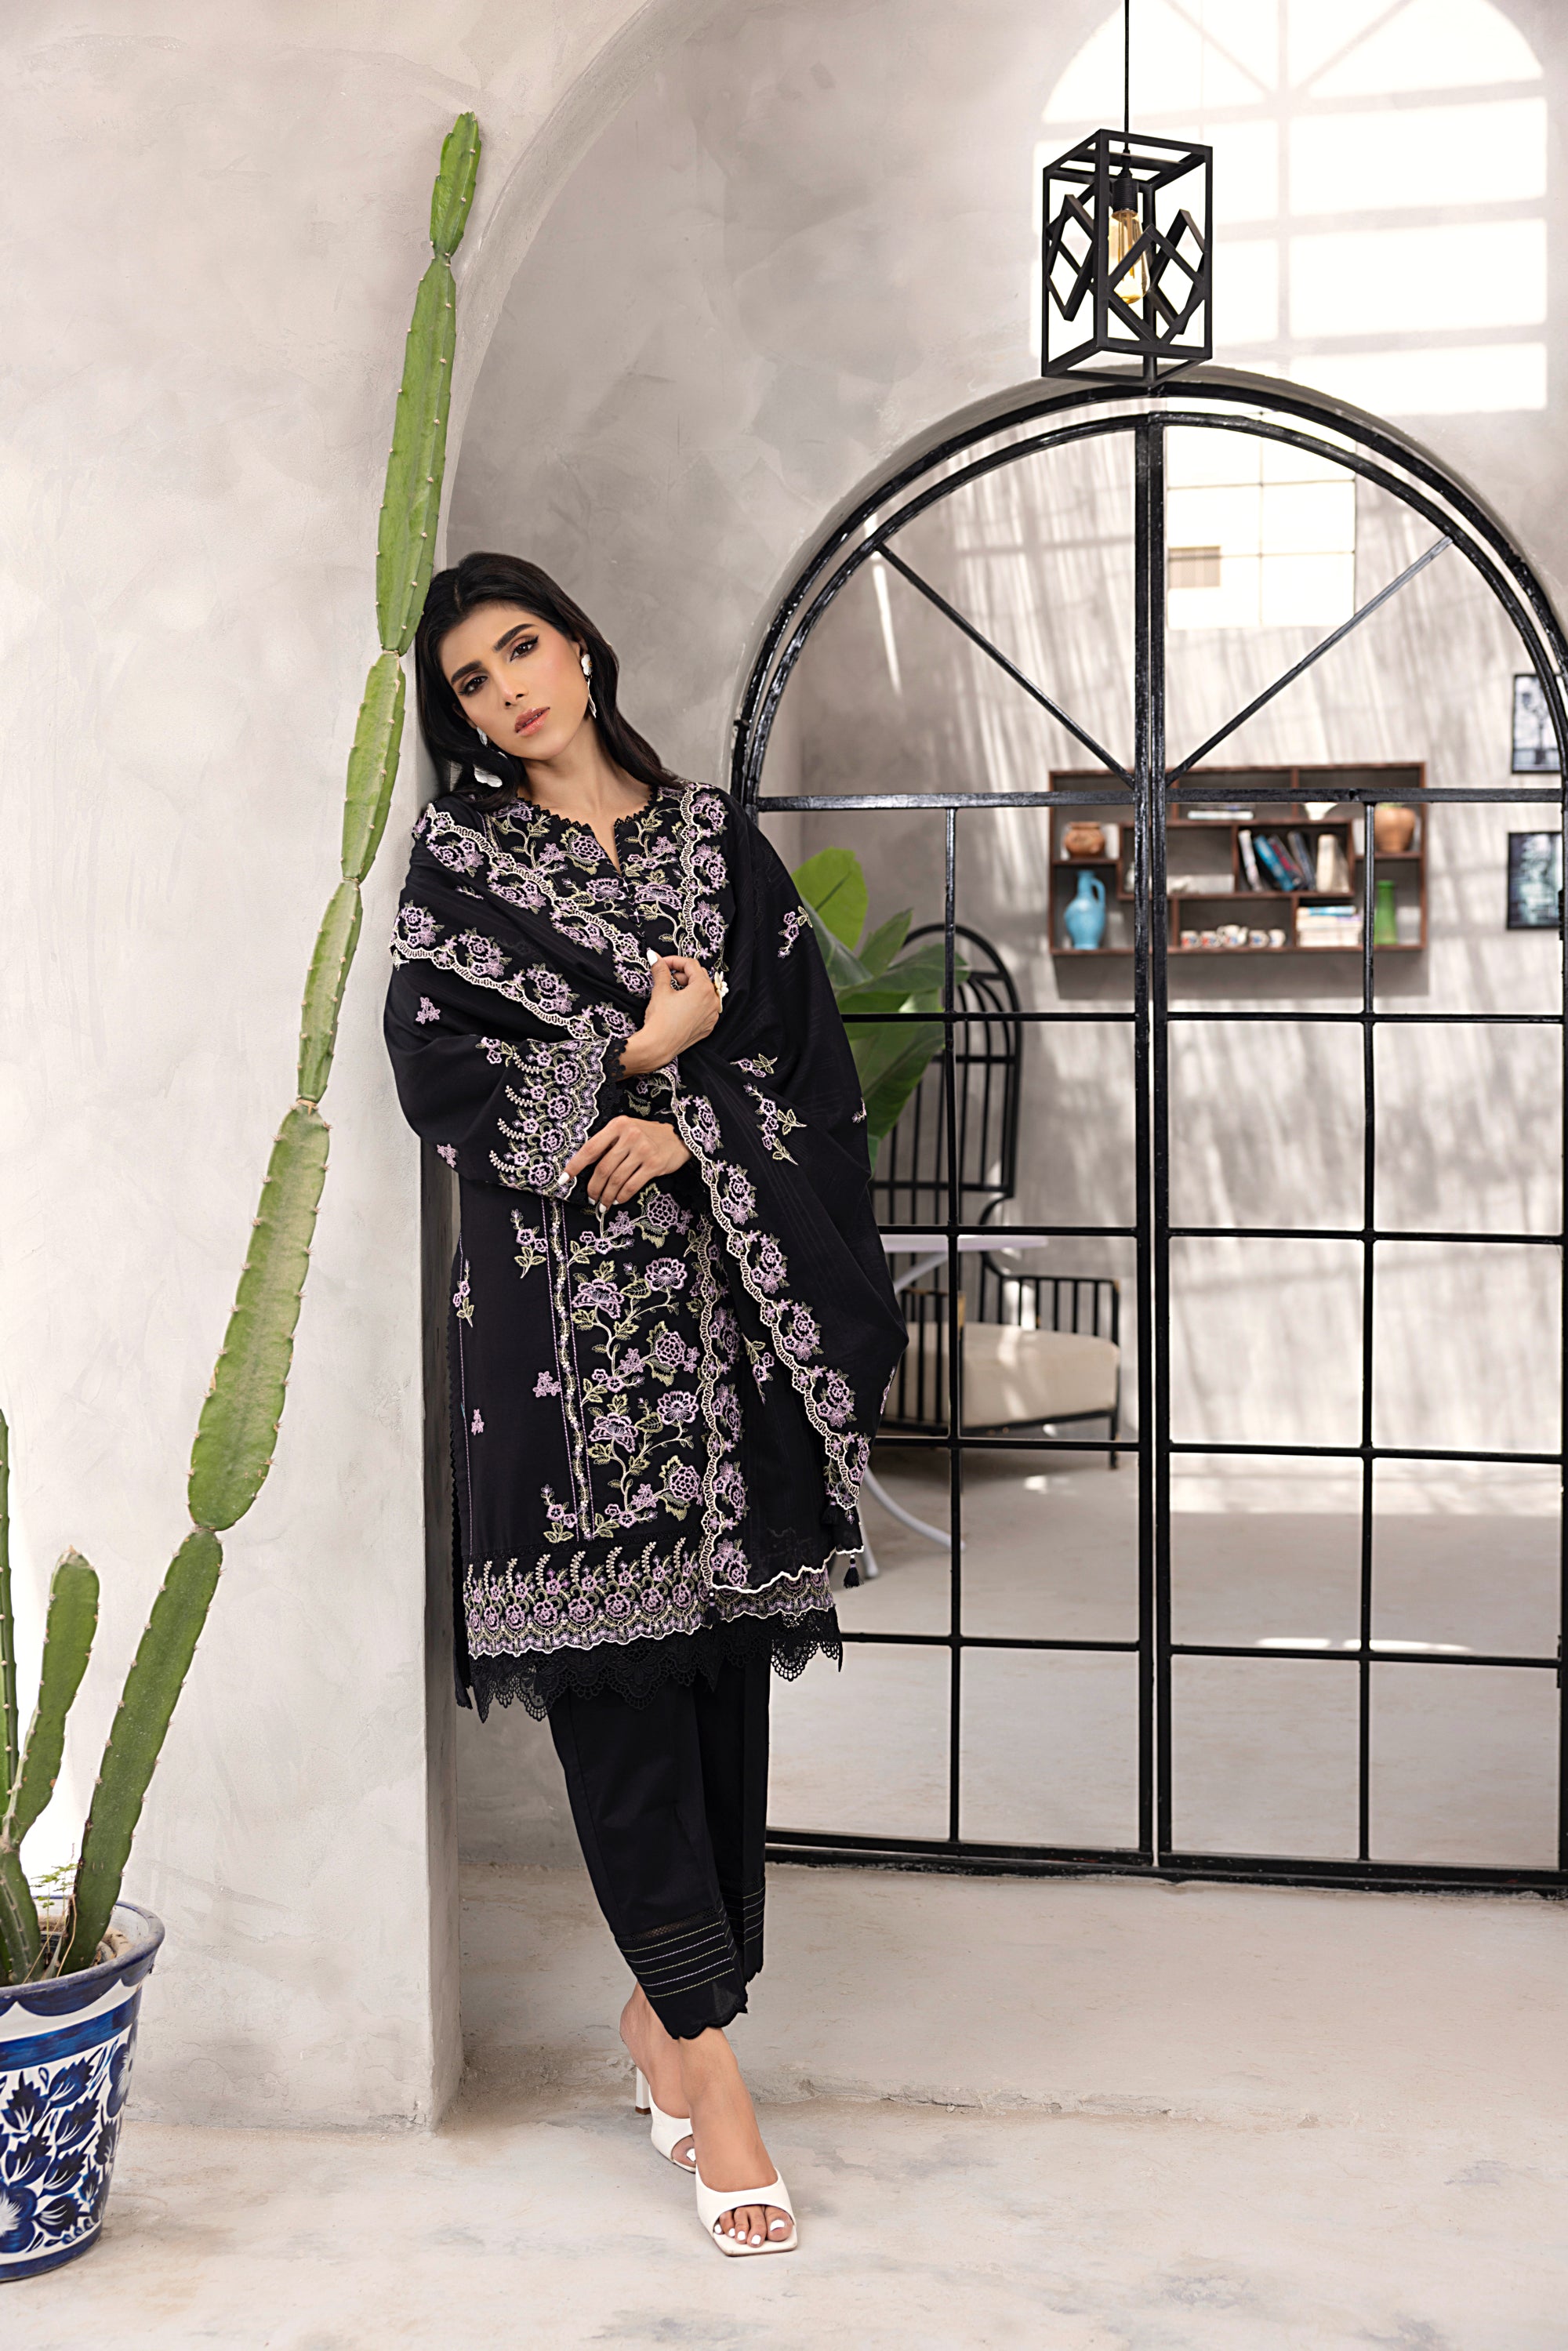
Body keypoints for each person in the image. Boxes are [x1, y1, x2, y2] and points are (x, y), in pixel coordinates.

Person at [384, 553, 905, 2256]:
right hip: (561, 1353)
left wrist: (691, 1126)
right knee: (614, 1705)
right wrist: (627, 1055)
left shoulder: (714, 846)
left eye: (522, 648)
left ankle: (665, 2015)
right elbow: (434, 1073)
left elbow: (809, 1072)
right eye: (472, 682)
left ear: (583, 649)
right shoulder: (461, 868)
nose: (508, 692)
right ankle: (716, 2072)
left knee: (717, 1690)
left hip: (726, 1340)